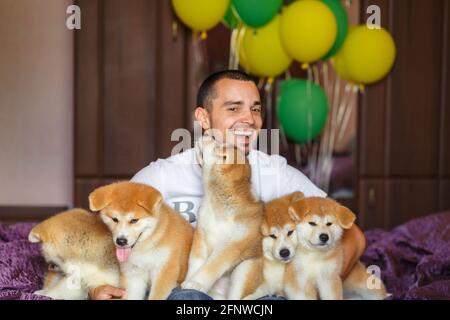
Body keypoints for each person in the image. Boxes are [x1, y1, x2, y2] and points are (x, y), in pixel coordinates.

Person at [90, 70, 366, 300]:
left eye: (255, 109)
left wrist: (307, 286)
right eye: (234, 108)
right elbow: (106, 238)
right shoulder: (159, 177)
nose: (249, 119)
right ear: (203, 118)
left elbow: (352, 235)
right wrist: (95, 287)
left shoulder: (276, 173)